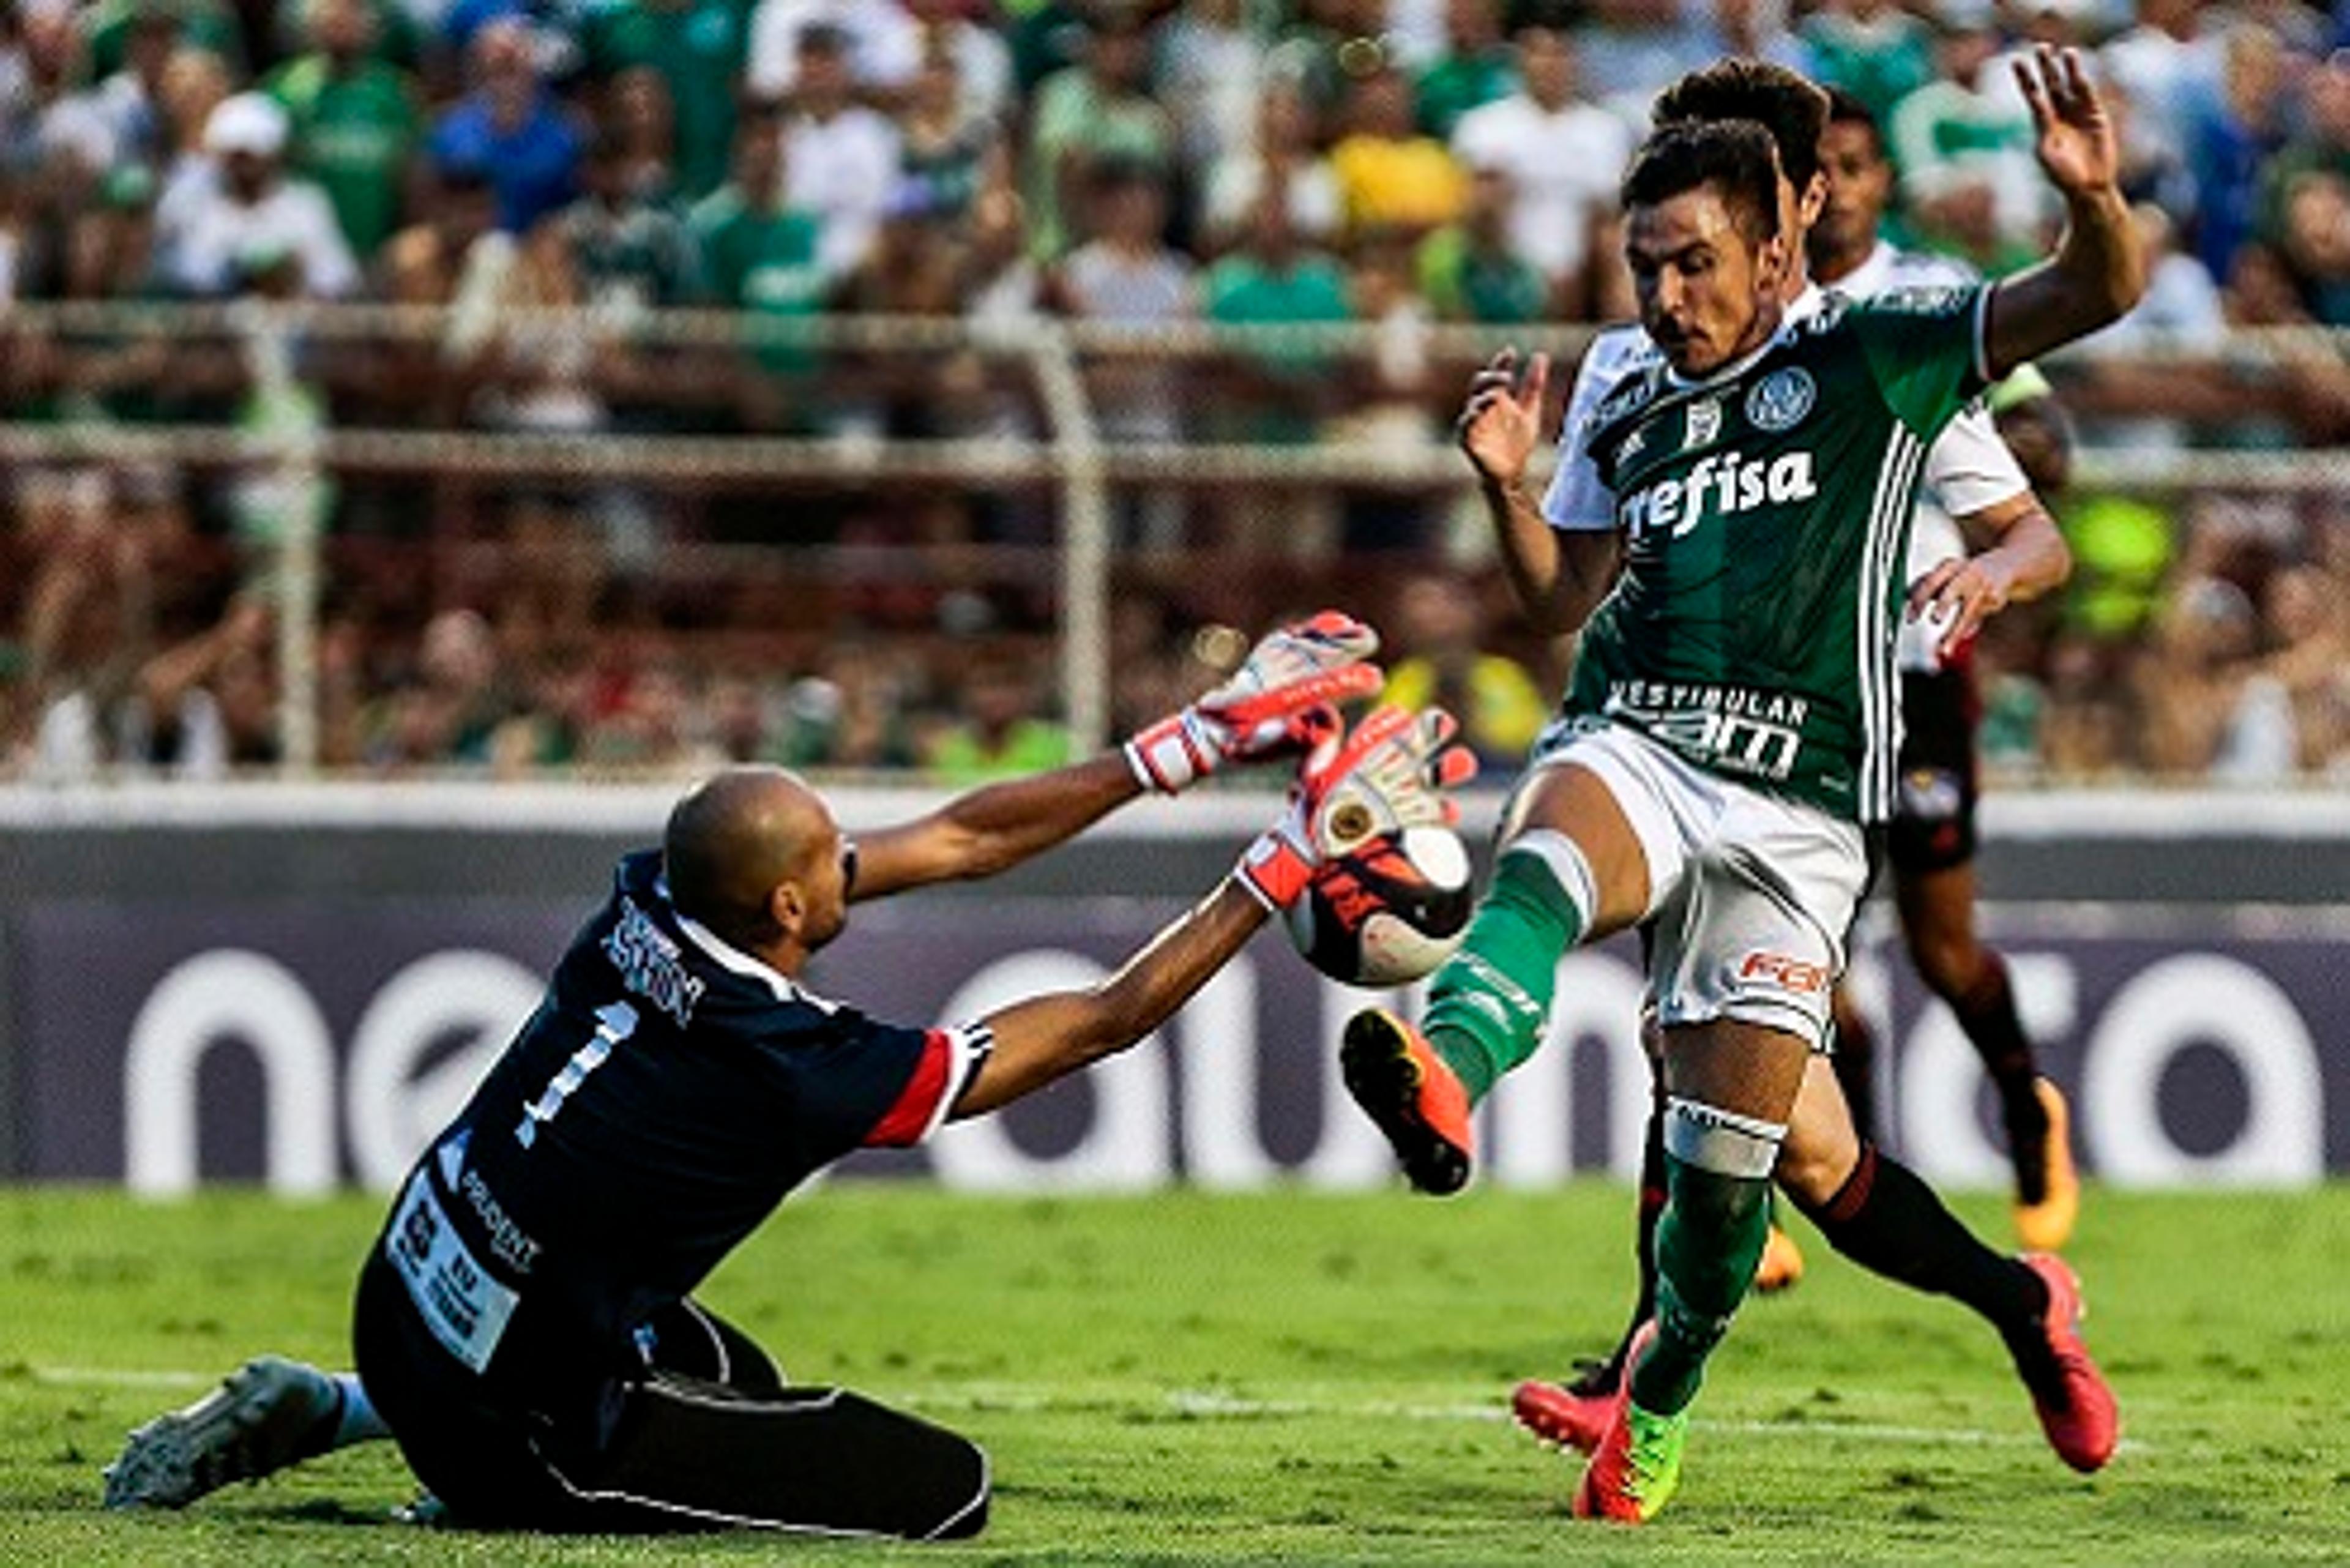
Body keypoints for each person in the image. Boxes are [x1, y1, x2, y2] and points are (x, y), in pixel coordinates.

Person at [103, 615, 1471, 1538]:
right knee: (945, 1497)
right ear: (780, 912)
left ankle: (338, 1408)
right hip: (519, 1423)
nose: (854, 867)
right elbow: (1106, 1021)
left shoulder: (648, 902)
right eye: (830, 865)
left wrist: (1196, 741)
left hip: (401, 1302)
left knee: (728, 1369)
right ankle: (465, 1483)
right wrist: (1280, 863)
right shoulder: (783, 1067)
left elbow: (961, 841)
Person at [1338, 48, 2138, 1523]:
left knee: (1756, 1180)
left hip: (1801, 806)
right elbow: (1563, 598)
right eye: (1643, 266)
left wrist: (2090, 207)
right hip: (1641, 734)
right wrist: (1506, 487)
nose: (1661, 296)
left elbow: (2084, 307)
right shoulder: (1626, 378)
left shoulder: (1880, 349)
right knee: (1547, 857)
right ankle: (1446, 1072)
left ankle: (1686, 1382)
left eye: (1692, 264)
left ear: (1781, 240)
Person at [1807, 85, 2081, 1252]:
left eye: (1857, 167)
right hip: (1796, 681)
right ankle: (1817, 1168)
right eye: (1816, 169)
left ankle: (2027, 1106)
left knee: (1941, 946)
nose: (1835, 190)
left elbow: (2049, 448)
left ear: (1881, 183)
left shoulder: (1930, 306)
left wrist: (1940, 421)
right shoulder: (1746, 306)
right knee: (1792, 953)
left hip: (1917, 672)